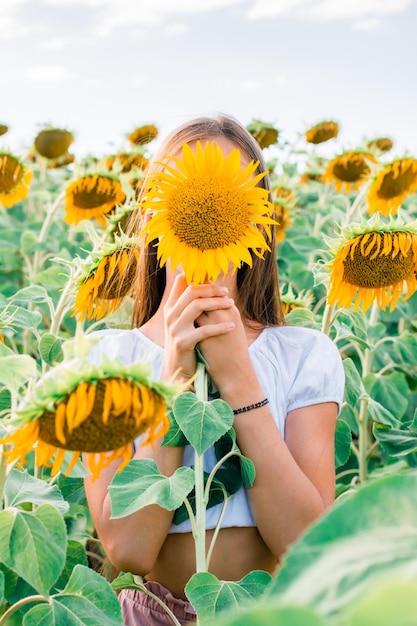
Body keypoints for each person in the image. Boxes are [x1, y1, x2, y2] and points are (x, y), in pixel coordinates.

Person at [83, 114, 345, 626]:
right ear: (156, 211)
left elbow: (306, 543)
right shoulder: (109, 361)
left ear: (256, 217)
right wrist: (175, 374)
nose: (206, 199)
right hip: (149, 613)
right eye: (185, 189)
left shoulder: (303, 355)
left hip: (265, 612)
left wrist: (239, 379)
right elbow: (128, 548)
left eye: (229, 192)